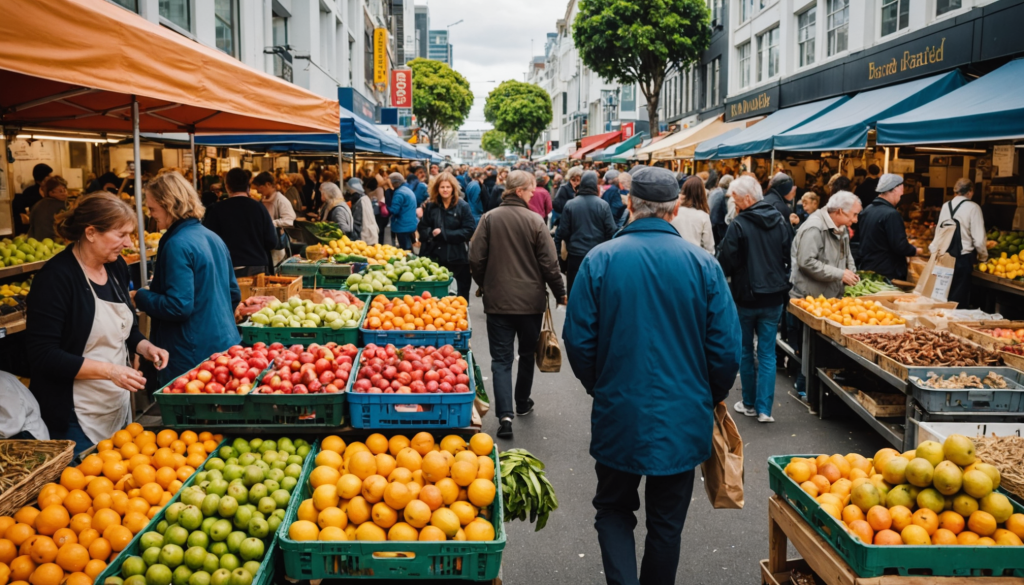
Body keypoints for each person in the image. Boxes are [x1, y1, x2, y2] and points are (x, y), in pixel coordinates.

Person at [562, 165, 740, 585]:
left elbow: (579, 340)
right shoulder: (703, 264)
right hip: (684, 411)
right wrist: (708, 395)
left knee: (613, 508)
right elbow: (726, 349)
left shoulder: (601, 259)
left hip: (620, 407)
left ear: (629, 203)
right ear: (675, 208)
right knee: (666, 522)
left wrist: (600, 386)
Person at [26, 192, 169, 455]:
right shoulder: (56, 278)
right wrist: (111, 371)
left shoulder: (116, 267)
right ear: (91, 232)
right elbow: (43, 354)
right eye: (121, 234)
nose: (128, 243)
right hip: (73, 415)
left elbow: (125, 328)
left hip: (116, 404)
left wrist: (144, 346)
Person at [469, 170, 567, 439]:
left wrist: (485, 284)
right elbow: (550, 263)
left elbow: (475, 258)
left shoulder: (489, 219)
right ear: (520, 191)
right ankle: (522, 402)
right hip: (530, 303)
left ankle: (505, 416)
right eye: (531, 189)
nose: (534, 193)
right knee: (526, 354)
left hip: (498, 302)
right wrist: (560, 293)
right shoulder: (535, 220)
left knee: (501, 360)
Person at [134, 172, 241, 387]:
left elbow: (178, 306)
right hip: (224, 346)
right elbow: (233, 293)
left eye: (152, 208)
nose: (150, 214)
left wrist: (140, 296)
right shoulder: (212, 237)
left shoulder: (177, 244)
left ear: (168, 204)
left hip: (190, 354)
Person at [717, 175, 793, 423]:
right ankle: (764, 410)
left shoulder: (739, 224)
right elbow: (788, 255)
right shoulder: (779, 220)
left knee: (746, 351)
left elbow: (725, 262)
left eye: (735, 198)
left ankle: (749, 403)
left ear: (747, 198)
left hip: (747, 297)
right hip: (774, 296)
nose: (733, 202)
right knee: (768, 352)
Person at [203, 168, 279, 276]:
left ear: (227, 186)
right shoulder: (259, 208)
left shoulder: (216, 210)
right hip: (257, 268)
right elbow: (271, 241)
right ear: (247, 186)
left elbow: (207, 242)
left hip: (228, 268)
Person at [555, 171, 617, 297]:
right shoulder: (603, 205)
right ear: (595, 185)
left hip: (575, 255)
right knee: (595, 293)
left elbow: (563, 231)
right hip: (597, 255)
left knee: (574, 291)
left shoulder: (570, 204)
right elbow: (611, 231)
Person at [418, 172, 477, 299]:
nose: (445, 190)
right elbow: (422, 228)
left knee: (459, 298)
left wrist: (444, 234)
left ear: (453, 188)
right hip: (434, 259)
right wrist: (431, 233)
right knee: (436, 298)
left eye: (448, 187)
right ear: (437, 189)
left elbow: (469, 230)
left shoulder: (462, 206)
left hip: (458, 259)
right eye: (442, 187)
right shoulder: (431, 206)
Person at [931, 178, 987, 306]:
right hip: (962, 260)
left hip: (943, 258)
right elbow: (979, 240)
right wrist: (983, 258)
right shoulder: (973, 207)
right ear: (970, 191)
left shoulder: (946, 206)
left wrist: (934, 252)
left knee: (942, 298)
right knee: (957, 301)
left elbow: (939, 232)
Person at [856, 174, 921, 282]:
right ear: (894, 189)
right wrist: (915, 250)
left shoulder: (867, 210)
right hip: (886, 272)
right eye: (900, 193)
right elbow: (900, 246)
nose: (901, 197)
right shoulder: (891, 214)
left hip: (868, 267)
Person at [253, 172, 296, 265]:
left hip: (277, 246)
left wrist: (271, 223)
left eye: (260, 187)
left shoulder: (281, 200)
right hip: (265, 245)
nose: (258, 191)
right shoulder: (263, 200)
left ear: (268, 184)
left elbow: (290, 220)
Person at [670, 176, 715, 255]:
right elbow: (709, 248)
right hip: (694, 257)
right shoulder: (703, 216)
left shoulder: (672, 212)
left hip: (673, 254)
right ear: (701, 194)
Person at [13, 163, 52, 235]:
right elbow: (23, 213)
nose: (51, 178)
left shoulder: (53, 190)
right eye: (48, 176)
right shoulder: (30, 192)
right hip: (36, 226)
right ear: (40, 180)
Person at [27, 175, 69, 241]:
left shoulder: (38, 204)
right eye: (60, 191)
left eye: (65, 190)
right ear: (51, 193)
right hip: (53, 241)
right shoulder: (60, 205)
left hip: (34, 241)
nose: (64, 193)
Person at [388, 173, 419, 250]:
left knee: (405, 250)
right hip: (410, 224)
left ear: (394, 183)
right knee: (410, 248)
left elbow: (394, 210)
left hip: (402, 226)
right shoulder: (407, 190)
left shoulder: (399, 193)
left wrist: (385, 206)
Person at [346, 178, 380, 244]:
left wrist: (354, 238)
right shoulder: (365, 198)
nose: (349, 191)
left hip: (365, 237)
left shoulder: (359, 201)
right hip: (371, 233)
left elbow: (357, 222)